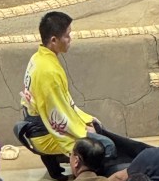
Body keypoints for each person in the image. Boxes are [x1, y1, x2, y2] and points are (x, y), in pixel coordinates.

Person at [20, 12, 147, 176]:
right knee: (105, 146)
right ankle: (96, 177)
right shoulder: (48, 71)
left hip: (38, 122)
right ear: (54, 40)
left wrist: (85, 118)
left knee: (96, 125)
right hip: (45, 133)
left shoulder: (38, 58)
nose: (70, 39)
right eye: (67, 35)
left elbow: (62, 102)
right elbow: (57, 116)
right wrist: (82, 132)